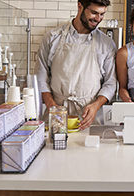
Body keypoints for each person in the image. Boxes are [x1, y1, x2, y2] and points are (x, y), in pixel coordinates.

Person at [35, 0, 117, 130]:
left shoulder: (106, 44)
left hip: (89, 117)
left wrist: (96, 105)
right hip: (56, 113)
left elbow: (111, 82)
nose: (98, 19)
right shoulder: (52, 38)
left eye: (102, 14)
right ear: (80, 6)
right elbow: (40, 76)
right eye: (94, 13)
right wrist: (53, 107)